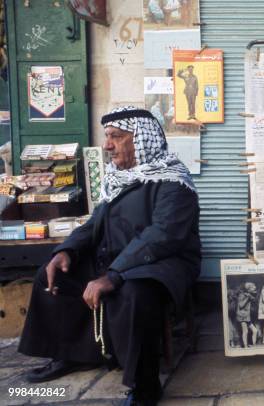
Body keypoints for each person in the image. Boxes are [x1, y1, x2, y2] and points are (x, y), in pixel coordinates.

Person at [18, 106, 201, 406]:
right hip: (117, 259)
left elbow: (163, 236)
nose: (107, 145)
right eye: (107, 137)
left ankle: (145, 386)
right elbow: (94, 224)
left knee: (135, 294)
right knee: (54, 274)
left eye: (116, 137)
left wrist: (113, 275)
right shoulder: (117, 178)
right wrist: (67, 250)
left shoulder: (173, 180)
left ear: (140, 139)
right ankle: (72, 353)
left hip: (162, 263)